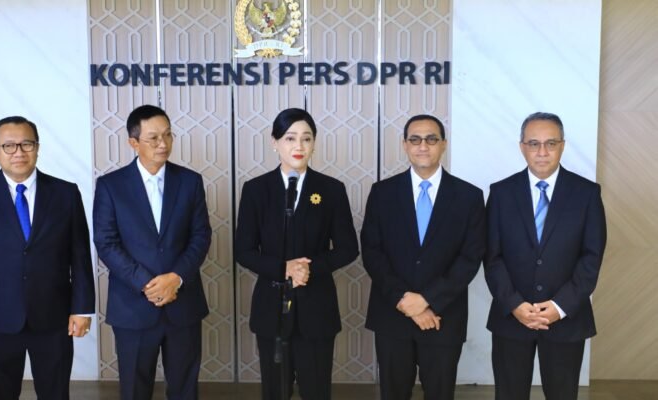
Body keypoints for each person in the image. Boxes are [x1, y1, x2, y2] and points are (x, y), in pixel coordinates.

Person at [0, 116, 95, 400]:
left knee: (55, 393)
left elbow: (79, 256)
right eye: (9, 146)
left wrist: (82, 309)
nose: (19, 152)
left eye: (27, 144)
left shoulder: (66, 193)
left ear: (37, 147)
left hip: (54, 318)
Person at [235, 108, 359, 400]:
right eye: (290, 138)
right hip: (271, 307)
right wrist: (284, 269)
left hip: (316, 307)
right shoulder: (256, 190)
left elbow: (348, 249)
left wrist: (308, 268)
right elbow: (244, 251)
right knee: (274, 391)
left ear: (314, 143)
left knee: (316, 391)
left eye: (306, 138)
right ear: (274, 142)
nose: (299, 146)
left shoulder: (331, 189)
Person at [361, 114, 485, 400]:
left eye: (431, 139)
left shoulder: (469, 196)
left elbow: (470, 257)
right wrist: (405, 300)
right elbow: (372, 251)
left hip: (443, 316)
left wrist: (427, 299)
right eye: (415, 139)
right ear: (405, 144)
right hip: (392, 314)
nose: (423, 146)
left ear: (443, 144)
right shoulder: (382, 193)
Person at [484, 112, 607, 400]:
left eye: (550, 143)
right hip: (512, 318)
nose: (542, 152)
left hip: (566, 319)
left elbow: (591, 257)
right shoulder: (501, 193)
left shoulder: (587, 193)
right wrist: (514, 304)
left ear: (562, 146)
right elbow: (491, 256)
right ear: (522, 147)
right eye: (534, 143)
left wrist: (560, 306)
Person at [93, 105, 211, 400]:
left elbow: (201, 236)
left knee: (185, 389)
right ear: (133, 142)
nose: (163, 144)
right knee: (135, 389)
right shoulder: (110, 185)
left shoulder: (190, 181)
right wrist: (147, 284)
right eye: (154, 138)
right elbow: (106, 242)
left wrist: (175, 278)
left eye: (168, 135)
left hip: (183, 303)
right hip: (133, 305)